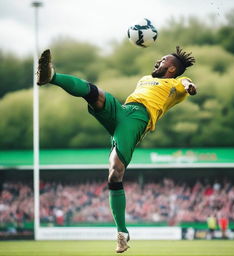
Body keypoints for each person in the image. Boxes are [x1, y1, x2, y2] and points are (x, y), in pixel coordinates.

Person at [36, 46, 196, 253]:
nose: (158, 61)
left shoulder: (176, 85)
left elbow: (187, 83)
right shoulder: (144, 78)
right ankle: (51, 76)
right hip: (123, 111)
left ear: (172, 69)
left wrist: (190, 86)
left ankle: (122, 233)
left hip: (137, 121)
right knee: (93, 93)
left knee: (114, 173)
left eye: (163, 60)